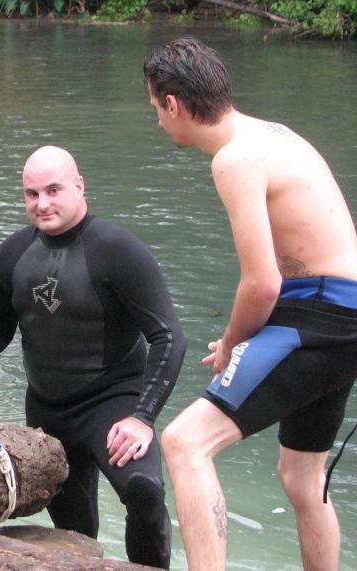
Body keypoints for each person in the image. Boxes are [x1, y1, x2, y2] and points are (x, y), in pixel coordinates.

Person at [144, 37, 357, 571]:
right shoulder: (273, 134)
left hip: (321, 315)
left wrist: (234, 342)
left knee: (184, 443)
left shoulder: (235, 159)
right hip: (342, 312)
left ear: (173, 103)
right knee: (301, 476)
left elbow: (263, 284)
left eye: (155, 109)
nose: (159, 123)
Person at [0, 146, 185, 569]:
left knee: (143, 489)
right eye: (32, 194)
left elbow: (168, 337)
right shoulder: (12, 255)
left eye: (53, 190)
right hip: (50, 410)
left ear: (79, 186)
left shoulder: (117, 249)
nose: (42, 203)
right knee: (73, 534)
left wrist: (141, 417)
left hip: (114, 401)